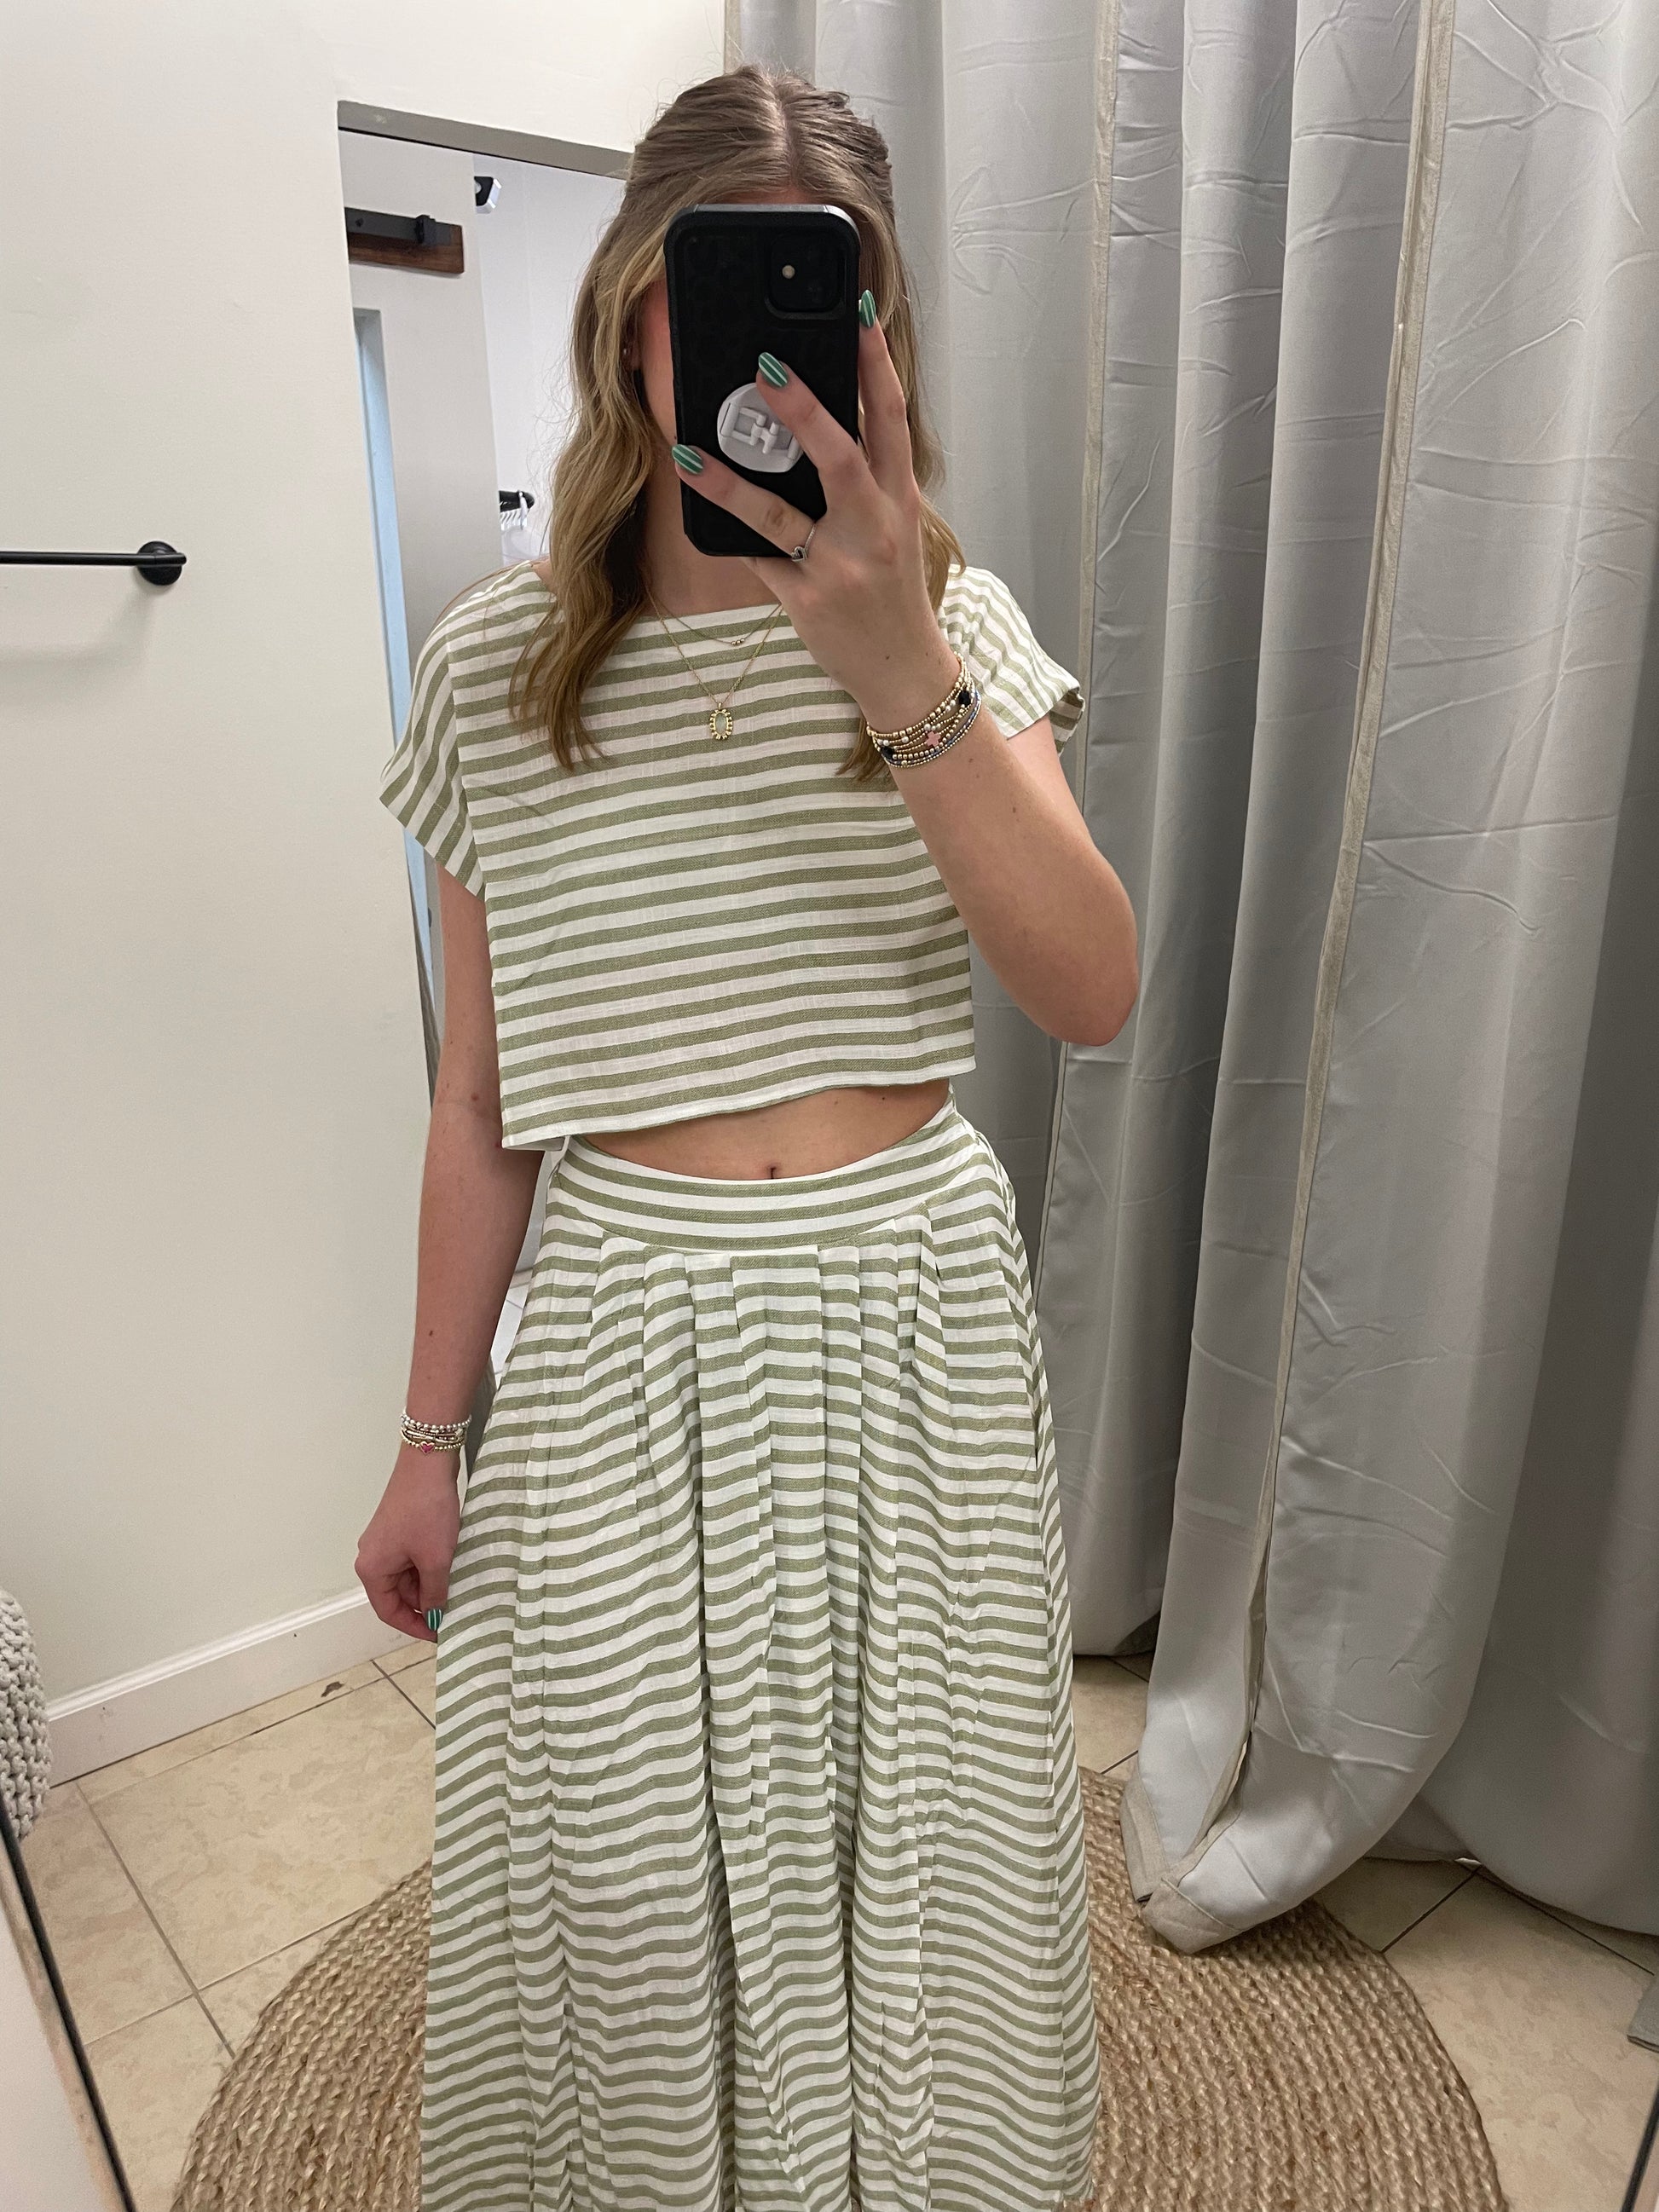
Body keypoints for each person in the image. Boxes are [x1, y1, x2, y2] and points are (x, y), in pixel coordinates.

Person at [359, 61, 1136, 2212]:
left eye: (829, 304)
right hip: (623, 1333)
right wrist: (425, 1438)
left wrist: (894, 662)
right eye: (717, 299)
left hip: (909, 1310)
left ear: (877, 338)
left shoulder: (951, 626)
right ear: (635, 312)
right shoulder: (499, 665)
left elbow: (1090, 989)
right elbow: (477, 1098)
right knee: (620, 1868)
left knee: (928, 1841)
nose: (777, 365)